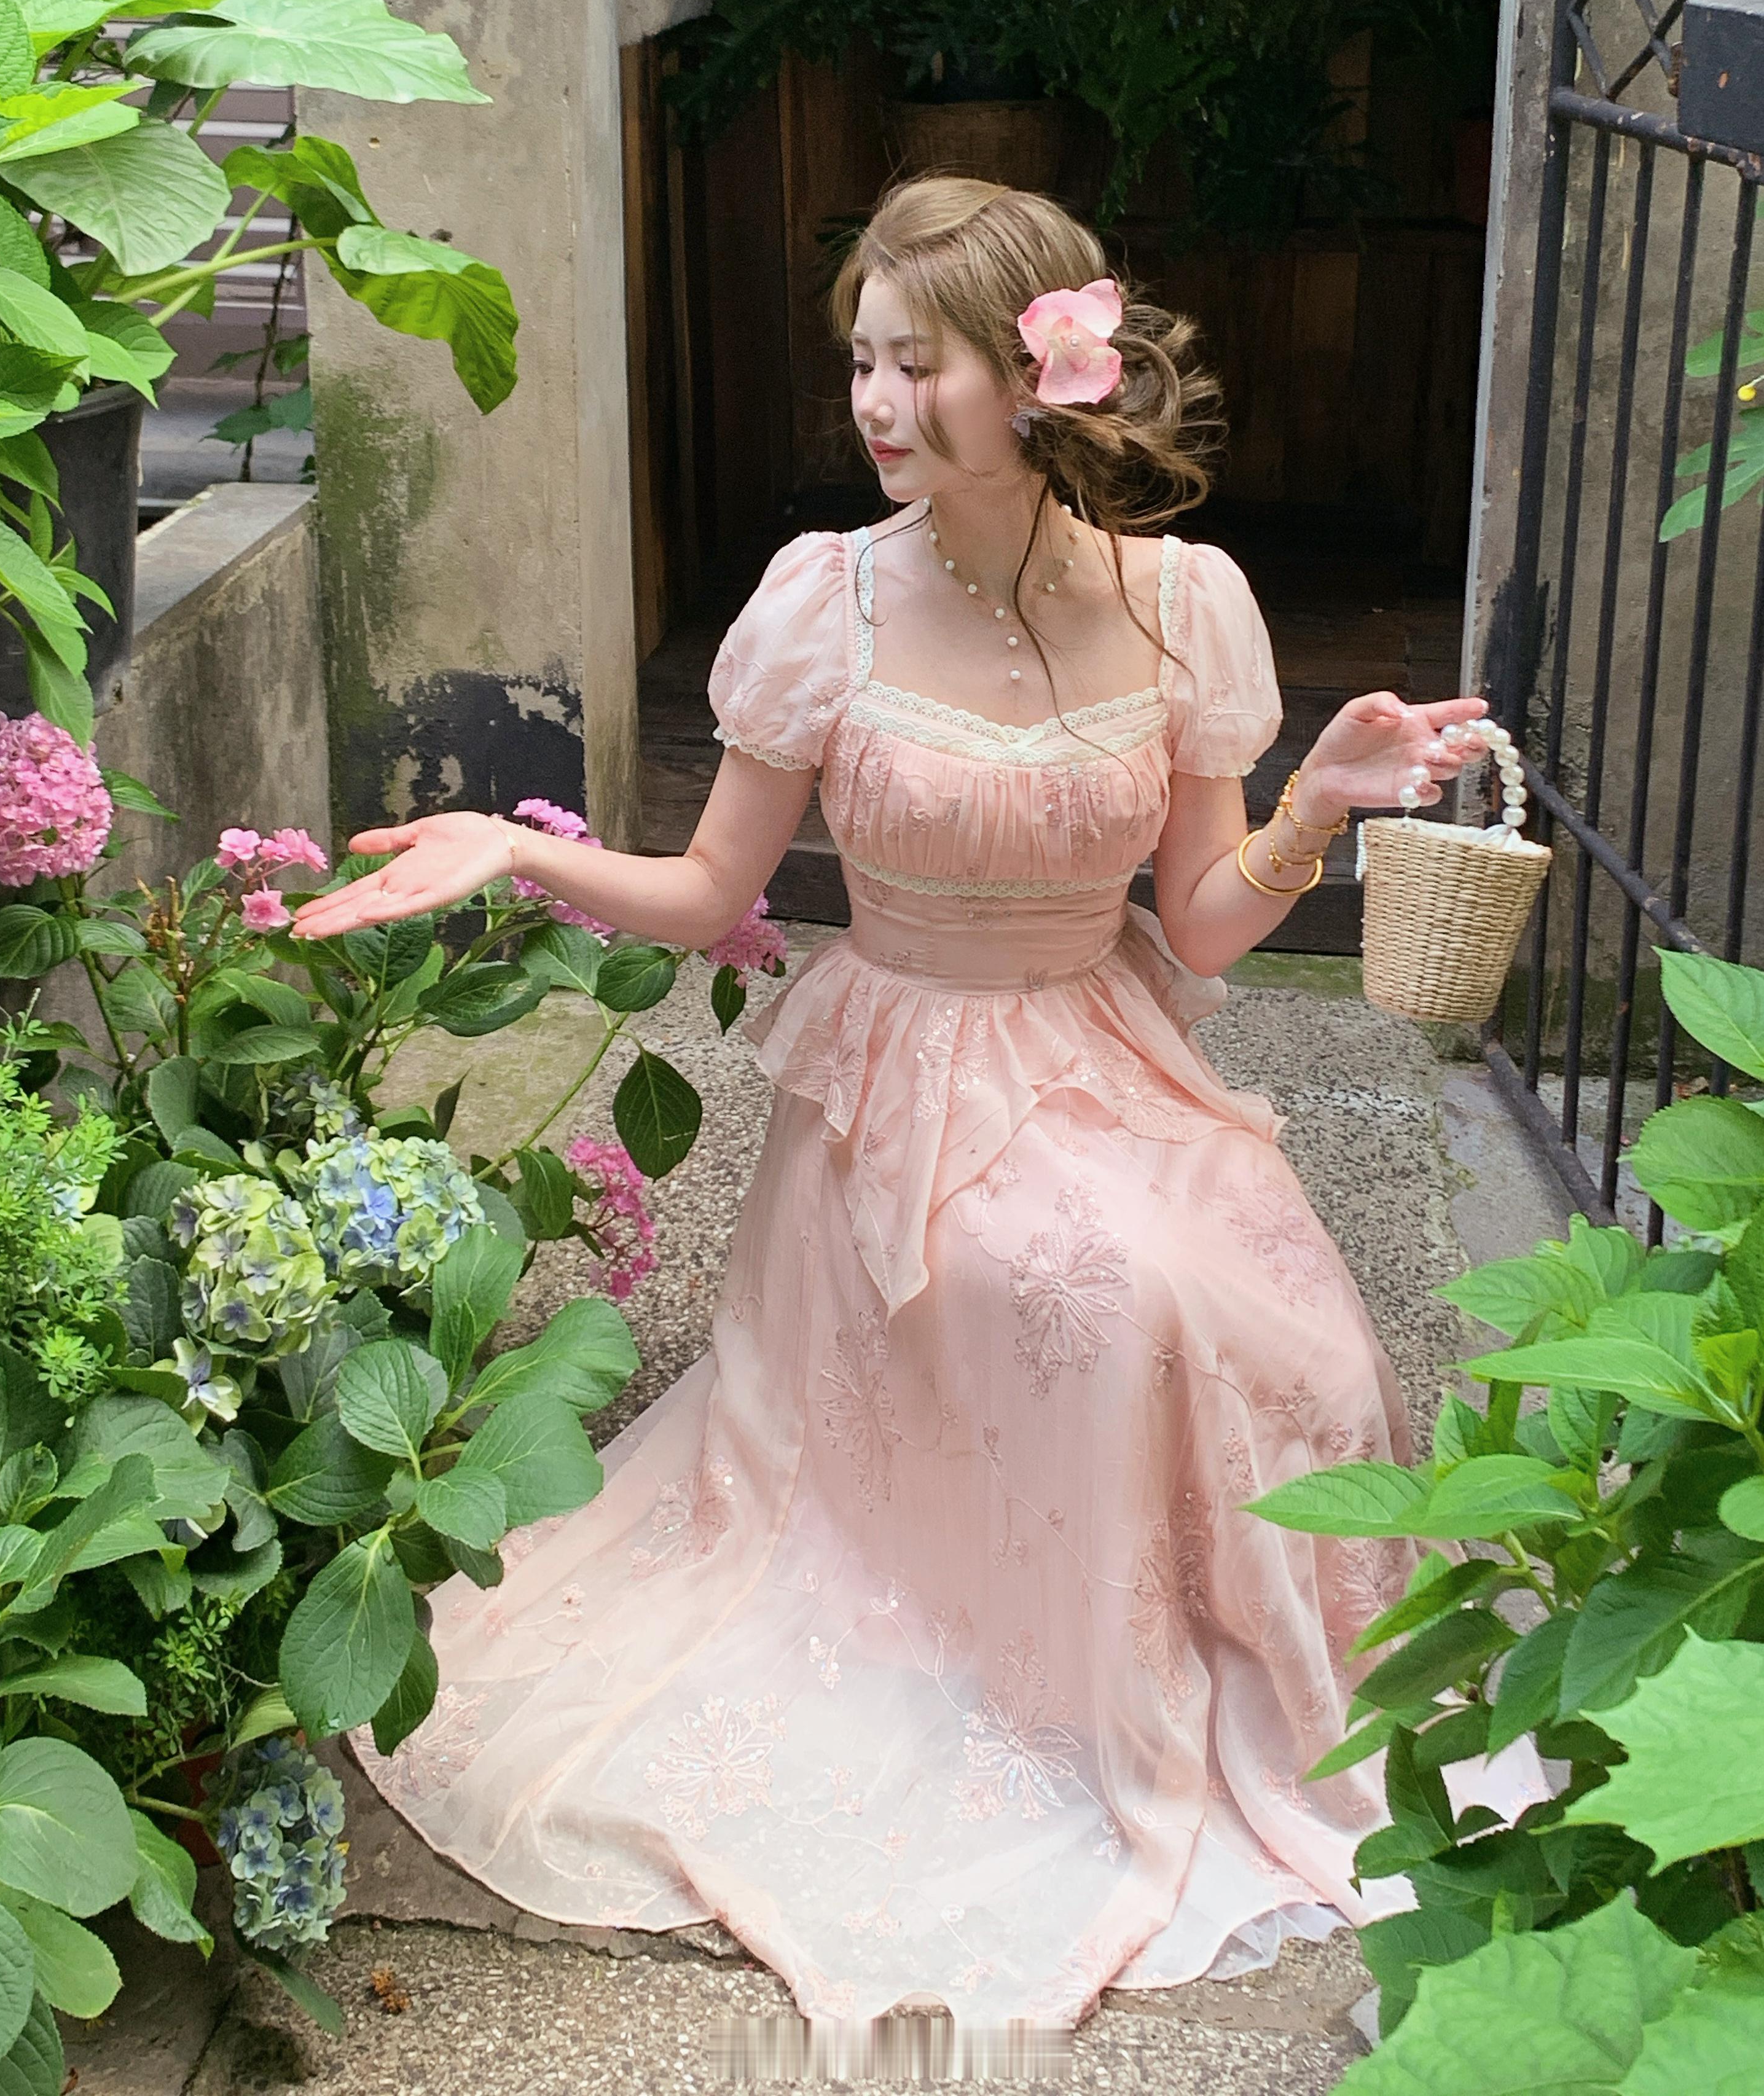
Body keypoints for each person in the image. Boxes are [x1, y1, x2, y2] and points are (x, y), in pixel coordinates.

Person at [293, 179, 1537, 2062]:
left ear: (1036, 377)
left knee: (1305, 1339)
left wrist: (1321, 804)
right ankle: (1074, 1689)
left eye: (916, 362)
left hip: (1103, 1050)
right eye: (860, 361)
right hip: (904, 1089)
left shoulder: (1182, 601)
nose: (875, 401)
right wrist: (514, 851)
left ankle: (1289, 1696)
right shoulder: (826, 600)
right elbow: (712, 895)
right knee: (1107, 1303)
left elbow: (1203, 925)